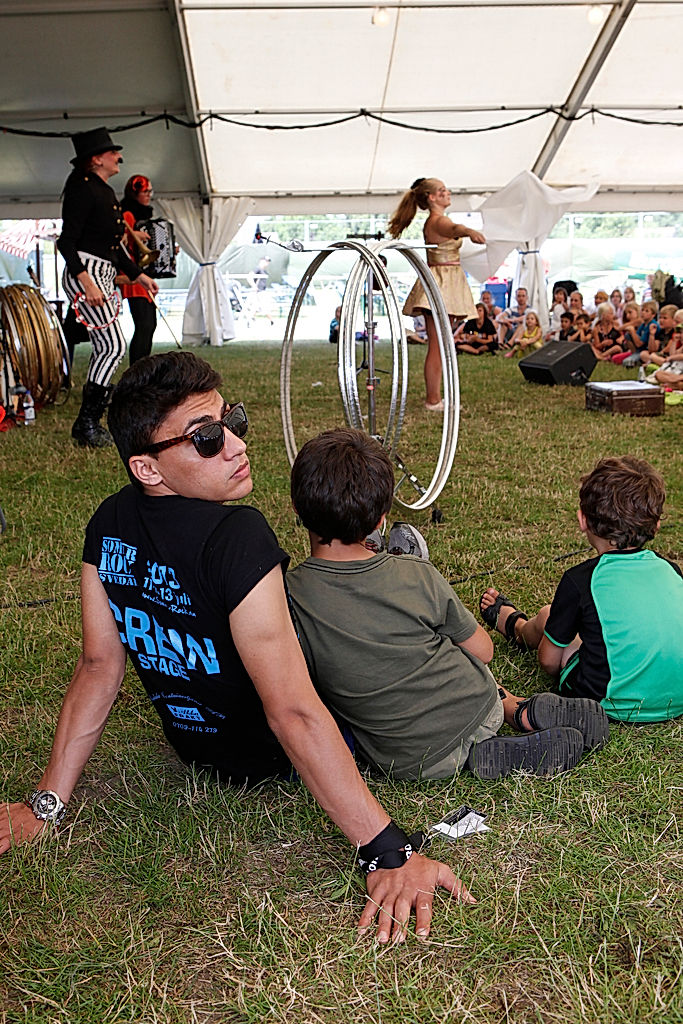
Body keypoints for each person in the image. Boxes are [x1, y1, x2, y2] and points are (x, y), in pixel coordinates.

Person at [0, 351, 471, 945]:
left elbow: (99, 665)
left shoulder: (108, 523)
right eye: (206, 438)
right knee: (362, 617)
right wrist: (388, 852)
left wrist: (45, 804)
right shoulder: (237, 535)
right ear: (147, 467)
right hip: (269, 755)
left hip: (199, 748)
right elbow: (292, 710)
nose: (235, 445)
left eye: (232, 422)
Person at [287, 428, 607, 782]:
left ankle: (504, 729)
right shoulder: (416, 574)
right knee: (456, 643)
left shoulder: (288, 595)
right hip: (479, 710)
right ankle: (518, 712)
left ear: (296, 508)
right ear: (381, 519)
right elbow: (484, 651)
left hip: (405, 761)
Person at [480, 456, 683, 723]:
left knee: (547, 616)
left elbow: (549, 661)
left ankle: (517, 628)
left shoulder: (580, 580)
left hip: (605, 703)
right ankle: (518, 626)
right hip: (676, 700)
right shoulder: (673, 570)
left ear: (582, 520)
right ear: (656, 524)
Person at [57, 127, 158, 448]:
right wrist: (85, 281)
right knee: (112, 345)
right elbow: (66, 242)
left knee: (108, 346)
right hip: (86, 273)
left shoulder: (102, 190)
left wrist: (139, 276)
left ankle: (88, 422)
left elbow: (113, 248)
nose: (119, 156)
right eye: (113, 152)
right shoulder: (82, 189)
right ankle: (87, 423)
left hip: (101, 272)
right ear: (96, 159)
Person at [388, 178, 485, 411]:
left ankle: (436, 397)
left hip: (446, 280)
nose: (447, 193)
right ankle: (433, 399)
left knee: (441, 342)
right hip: (442, 282)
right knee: (438, 344)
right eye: (442, 191)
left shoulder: (436, 220)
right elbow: (453, 230)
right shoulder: (438, 221)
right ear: (431, 197)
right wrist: (469, 231)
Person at [120, 174, 158, 365]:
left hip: (142, 275)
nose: (149, 195)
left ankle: (142, 367)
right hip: (132, 276)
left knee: (149, 325)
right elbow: (119, 240)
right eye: (146, 191)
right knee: (144, 325)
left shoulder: (143, 215)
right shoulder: (127, 214)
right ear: (135, 193)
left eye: (150, 191)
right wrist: (134, 234)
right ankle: (138, 369)